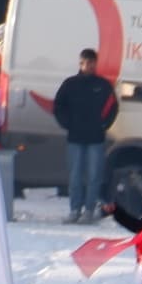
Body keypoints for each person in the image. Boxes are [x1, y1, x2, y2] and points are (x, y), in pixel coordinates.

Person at [52, 48, 117, 222]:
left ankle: (89, 210)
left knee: (94, 176)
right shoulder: (70, 84)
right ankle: (75, 210)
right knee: (75, 176)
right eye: (86, 63)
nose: (89, 66)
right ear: (80, 64)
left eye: (92, 63)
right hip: (75, 138)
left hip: (96, 138)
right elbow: (58, 106)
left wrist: (104, 125)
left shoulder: (103, 85)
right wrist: (67, 124)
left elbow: (113, 107)